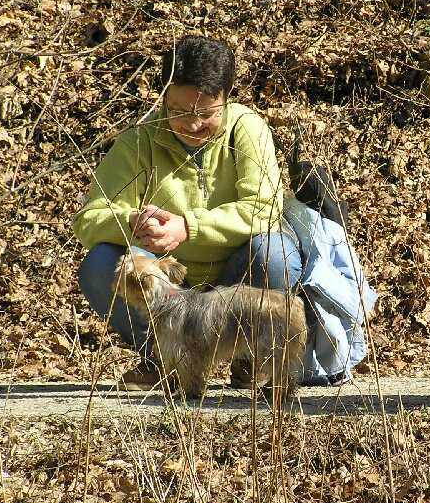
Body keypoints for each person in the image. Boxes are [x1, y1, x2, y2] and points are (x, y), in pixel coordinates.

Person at [73, 35, 301, 386]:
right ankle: (162, 357)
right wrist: (132, 221)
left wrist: (188, 227)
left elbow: (265, 209)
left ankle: (251, 357)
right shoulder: (139, 140)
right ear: (164, 97)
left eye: (206, 113)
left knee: (273, 254)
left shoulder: (246, 128)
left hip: (236, 272)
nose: (192, 125)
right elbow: (89, 218)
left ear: (226, 98)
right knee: (101, 265)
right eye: (178, 111)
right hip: (168, 284)